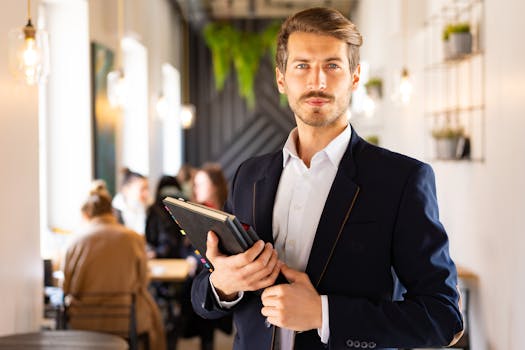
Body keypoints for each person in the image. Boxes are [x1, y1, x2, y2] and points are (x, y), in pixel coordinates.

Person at [190, 7, 464, 350]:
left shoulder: (402, 179)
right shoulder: (249, 175)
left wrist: (323, 314)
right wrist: (223, 284)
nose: (317, 81)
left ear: (354, 76)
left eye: (332, 66)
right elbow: (202, 293)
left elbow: (443, 318)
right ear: (281, 78)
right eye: (302, 66)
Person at [63, 183, 166, 350]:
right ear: (112, 211)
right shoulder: (133, 238)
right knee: (152, 311)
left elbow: (66, 287)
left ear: (86, 214)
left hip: (84, 320)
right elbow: (142, 281)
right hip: (126, 318)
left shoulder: (75, 241)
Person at [113, 167, 150, 235]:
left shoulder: (146, 209)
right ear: (126, 189)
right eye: (142, 189)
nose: (146, 193)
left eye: (147, 188)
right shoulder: (113, 214)